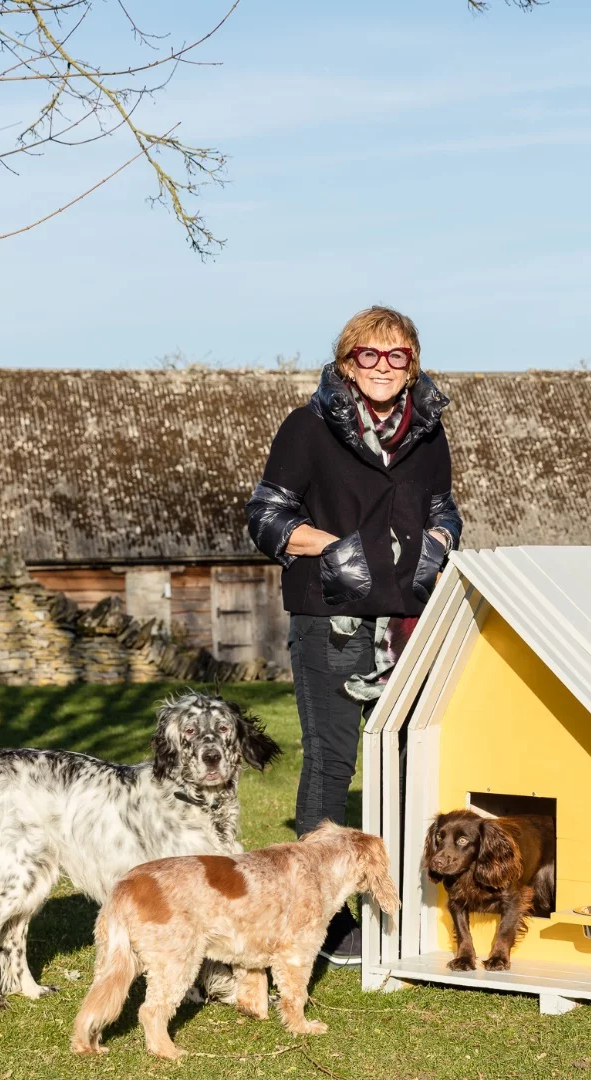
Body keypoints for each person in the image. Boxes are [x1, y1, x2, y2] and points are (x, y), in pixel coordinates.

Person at [246, 305, 461, 964]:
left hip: (407, 619)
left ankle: (404, 907)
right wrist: (341, 551)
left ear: (412, 364)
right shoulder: (308, 427)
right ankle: (316, 918)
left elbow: (442, 506)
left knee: (407, 758)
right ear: (346, 362)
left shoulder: (428, 433)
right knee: (333, 762)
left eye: (397, 356)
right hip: (330, 619)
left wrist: (438, 541)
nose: (382, 368)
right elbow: (267, 516)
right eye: (368, 355)